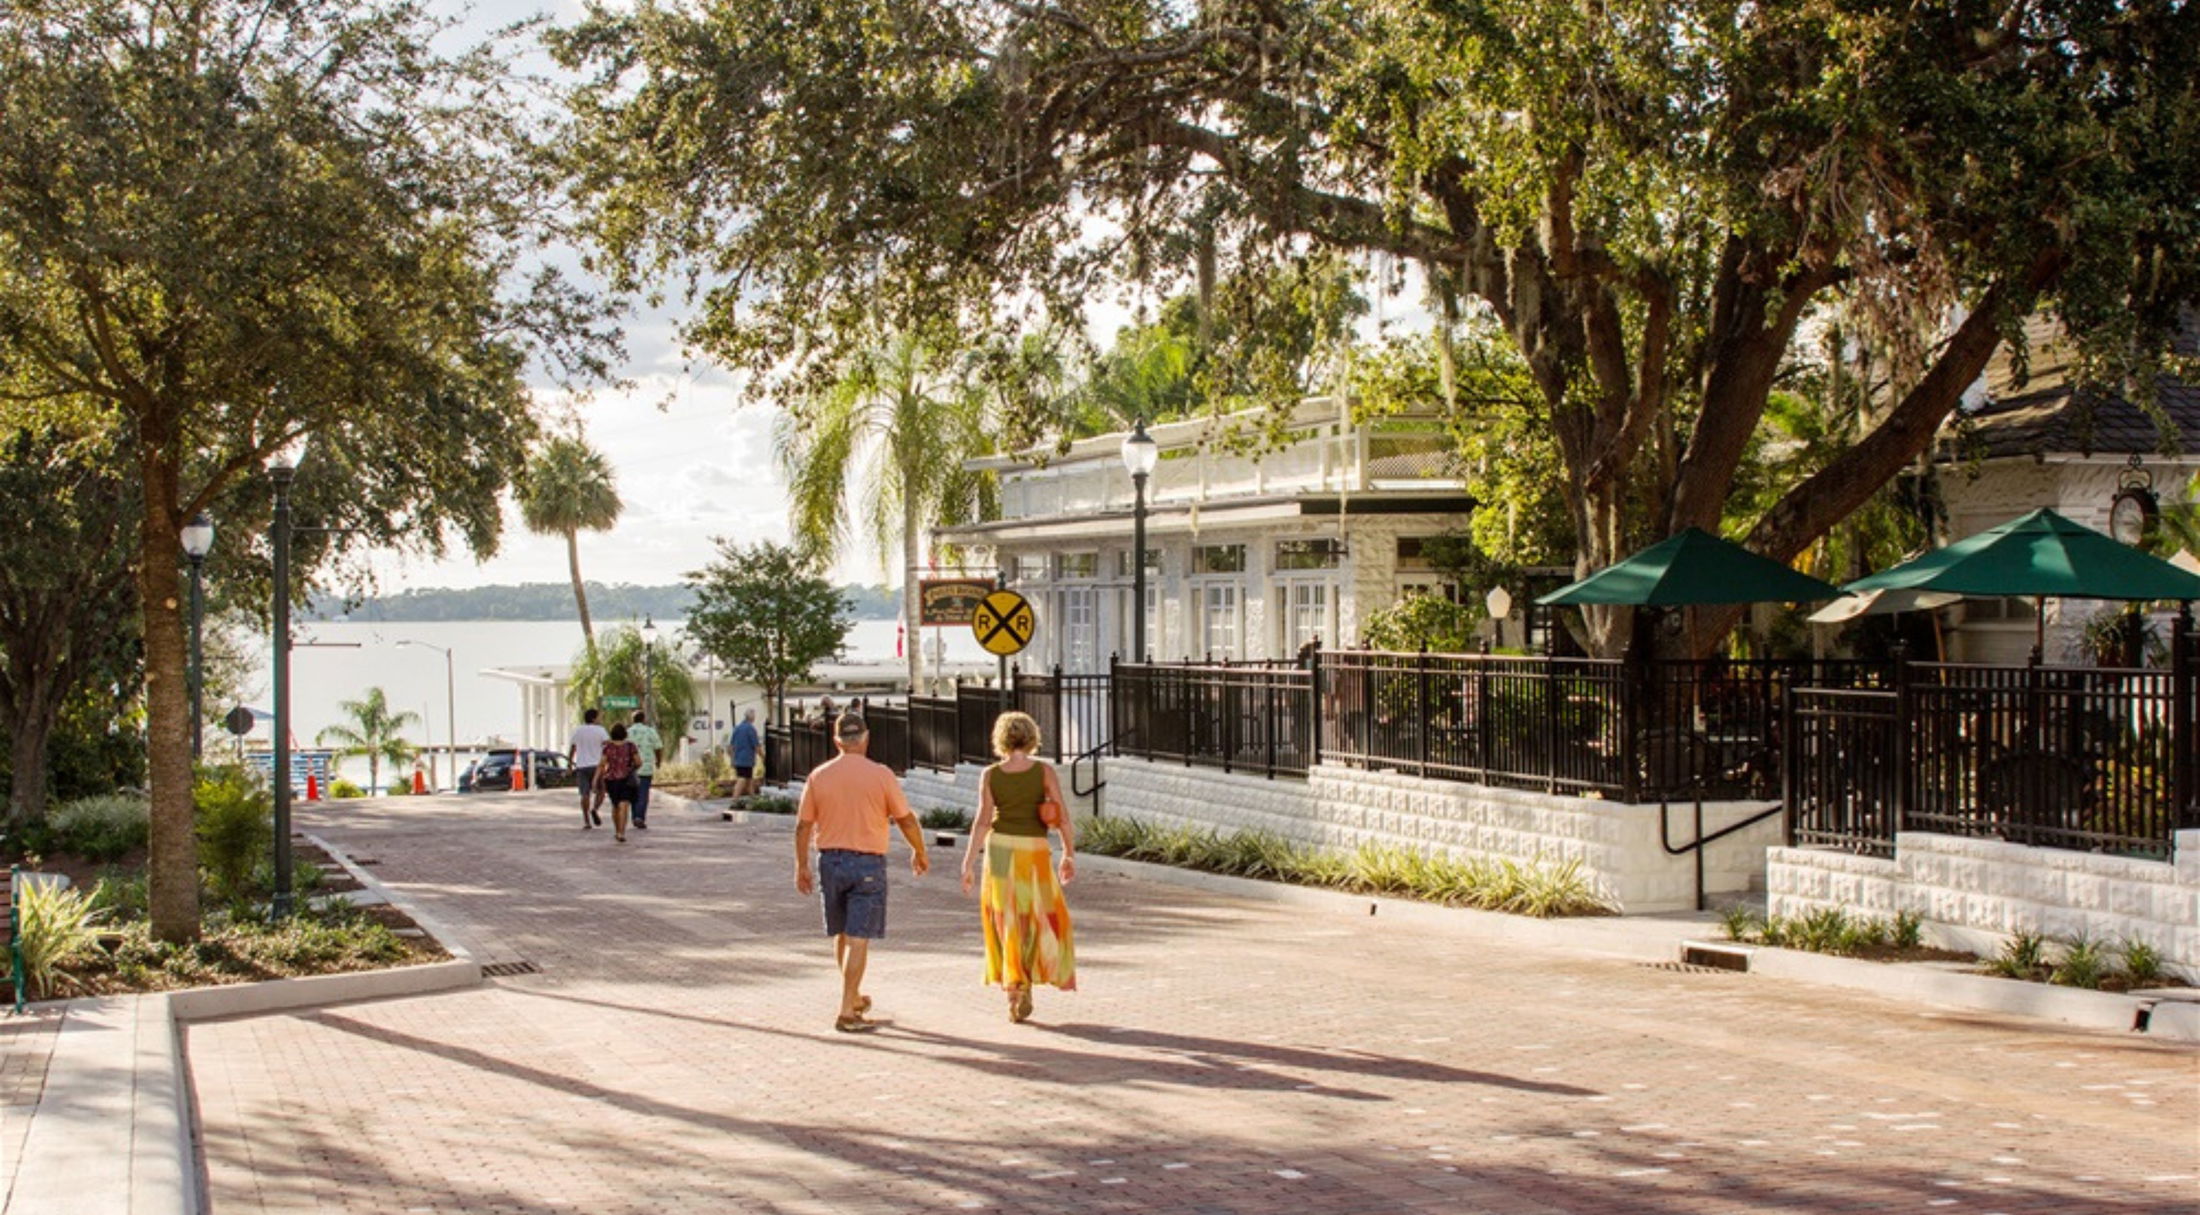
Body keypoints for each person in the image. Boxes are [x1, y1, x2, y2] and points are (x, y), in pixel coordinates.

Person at [794, 712, 929, 1033]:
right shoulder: (881, 775)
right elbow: (906, 819)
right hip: (867, 862)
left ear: (837, 739)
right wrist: (919, 850)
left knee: (842, 933)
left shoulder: (819, 776)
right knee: (859, 938)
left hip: (830, 861)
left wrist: (801, 864)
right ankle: (846, 1010)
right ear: (866, 738)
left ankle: (853, 997)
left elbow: (803, 825)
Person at [960, 710, 1076, 1024]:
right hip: (1033, 851)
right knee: (1039, 917)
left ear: (1000, 739)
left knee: (1004, 919)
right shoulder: (1043, 772)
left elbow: (983, 820)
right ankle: (1030, 977)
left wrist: (969, 862)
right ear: (1032, 737)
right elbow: (1061, 815)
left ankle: (1014, 988)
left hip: (999, 851)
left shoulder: (991, 774)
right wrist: (1068, 853)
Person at [594, 723, 642, 843]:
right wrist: (631, 767)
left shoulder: (608, 748)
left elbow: (601, 765)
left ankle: (617, 831)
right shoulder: (631, 746)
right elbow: (639, 762)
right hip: (626, 779)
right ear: (625, 734)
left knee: (616, 806)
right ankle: (621, 832)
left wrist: (595, 780)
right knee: (624, 805)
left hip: (611, 780)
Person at [567, 708, 609, 829]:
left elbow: (573, 748)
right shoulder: (601, 731)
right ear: (593, 718)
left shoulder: (578, 730)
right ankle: (595, 809)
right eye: (599, 717)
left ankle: (586, 820)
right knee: (601, 790)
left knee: (584, 794)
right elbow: (607, 746)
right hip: (597, 766)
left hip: (581, 766)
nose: (600, 719)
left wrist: (569, 764)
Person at [627, 710, 664, 830]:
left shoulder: (628, 732)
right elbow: (658, 747)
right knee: (643, 794)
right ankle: (640, 817)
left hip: (631, 768)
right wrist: (658, 761)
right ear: (643, 719)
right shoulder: (650, 731)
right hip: (646, 767)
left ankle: (634, 817)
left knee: (633, 794)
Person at [730, 707, 763, 798]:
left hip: (738, 758)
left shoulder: (737, 728)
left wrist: (732, 759)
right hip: (746, 759)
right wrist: (763, 757)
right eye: (754, 716)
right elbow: (756, 746)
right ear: (752, 717)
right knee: (742, 779)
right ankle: (734, 799)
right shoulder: (751, 729)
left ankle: (753, 798)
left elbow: (732, 746)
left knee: (749, 780)